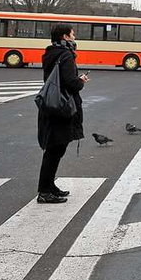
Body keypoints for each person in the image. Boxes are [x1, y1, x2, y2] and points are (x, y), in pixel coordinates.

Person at [37, 23, 88, 203]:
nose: (74, 37)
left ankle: (50, 186)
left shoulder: (50, 53)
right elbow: (71, 84)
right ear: (65, 37)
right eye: (72, 34)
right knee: (55, 150)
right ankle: (44, 191)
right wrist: (80, 80)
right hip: (61, 108)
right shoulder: (66, 55)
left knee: (55, 149)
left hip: (52, 106)